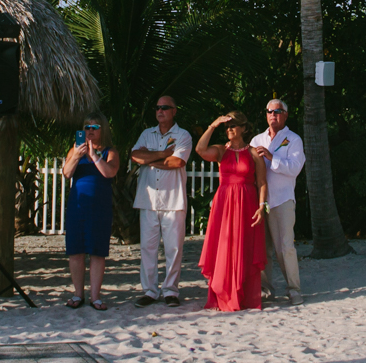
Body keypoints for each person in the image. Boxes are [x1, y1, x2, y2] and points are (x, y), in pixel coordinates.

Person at [197, 111, 267, 311]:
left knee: (244, 247)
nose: (229, 129)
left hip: (248, 204)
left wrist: (262, 207)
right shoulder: (221, 151)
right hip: (225, 205)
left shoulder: (254, 153)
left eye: (233, 125)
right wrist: (213, 125)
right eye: (227, 126)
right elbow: (200, 149)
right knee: (224, 247)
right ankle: (224, 295)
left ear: (244, 128)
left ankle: (244, 295)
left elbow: (262, 182)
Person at [131, 96, 193, 306]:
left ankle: (170, 291)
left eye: (165, 107)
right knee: (147, 248)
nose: (160, 111)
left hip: (173, 200)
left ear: (174, 111)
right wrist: (161, 155)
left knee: (173, 248)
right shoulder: (147, 134)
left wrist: (151, 159)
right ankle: (149, 291)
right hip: (148, 200)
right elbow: (136, 156)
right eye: (157, 107)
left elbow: (177, 161)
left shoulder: (183, 135)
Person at [250, 100, 307, 304]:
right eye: (270, 111)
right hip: (260, 201)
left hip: (282, 199)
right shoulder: (257, 139)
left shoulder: (293, 140)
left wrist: (271, 157)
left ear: (286, 115)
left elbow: (294, 168)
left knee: (285, 247)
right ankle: (266, 290)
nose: (273, 114)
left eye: (278, 111)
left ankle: (293, 288)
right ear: (266, 115)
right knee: (262, 248)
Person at [62, 117, 120, 308]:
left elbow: (109, 172)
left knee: (97, 252)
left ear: (103, 130)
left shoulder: (110, 152)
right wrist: (77, 156)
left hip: (99, 207)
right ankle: (79, 294)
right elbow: (67, 173)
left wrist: (95, 156)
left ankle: (95, 296)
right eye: (87, 127)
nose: (90, 131)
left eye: (95, 127)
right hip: (78, 206)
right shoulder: (75, 150)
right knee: (76, 251)